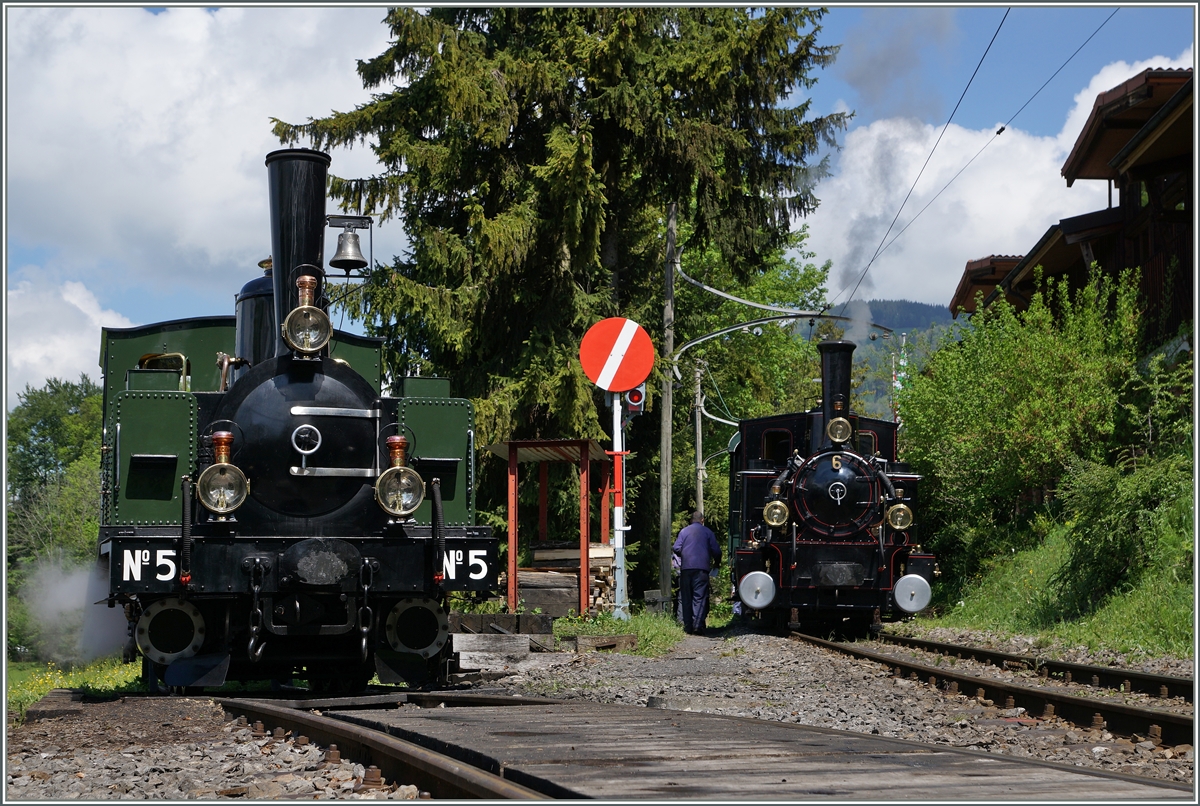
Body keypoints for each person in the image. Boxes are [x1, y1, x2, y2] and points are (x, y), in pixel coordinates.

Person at [672, 510, 721, 635]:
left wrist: (685, 554)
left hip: (686, 568)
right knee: (699, 597)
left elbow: (676, 548)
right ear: (702, 520)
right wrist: (716, 562)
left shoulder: (684, 531)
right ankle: (697, 626)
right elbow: (716, 551)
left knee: (686, 596)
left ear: (690, 520)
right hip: (702, 569)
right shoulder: (708, 532)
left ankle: (687, 626)